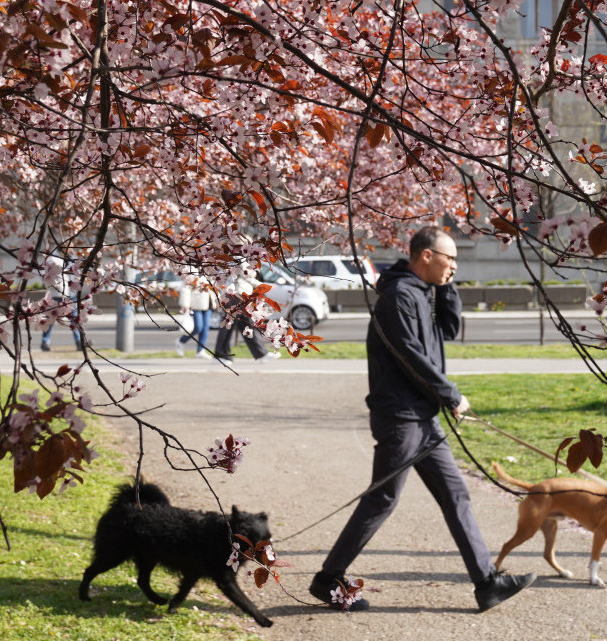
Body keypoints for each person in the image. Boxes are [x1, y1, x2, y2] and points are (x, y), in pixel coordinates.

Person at [309, 227, 534, 613]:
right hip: (401, 417)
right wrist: (450, 394)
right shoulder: (398, 296)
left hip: (422, 417)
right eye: (450, 259)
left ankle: (486, 583)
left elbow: (448, 329)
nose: (454, 267)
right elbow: (410, 356)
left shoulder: (421, 293)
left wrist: (445, 286)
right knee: (382, 498)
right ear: (426, 256)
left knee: (455, 494)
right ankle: (329, 580)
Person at [212, 267, 279, 363]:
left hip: (241, 297)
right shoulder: (238, 257)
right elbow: (247, 274)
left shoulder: (242, 258)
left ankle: (261, 354)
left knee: (247, 325)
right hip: (234, 296)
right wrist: (265, 286)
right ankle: (220, 355)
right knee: (229, 327)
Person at [40, 252, 83, 352]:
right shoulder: (52, 260)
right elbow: (45, 275)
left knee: (74, 319)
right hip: (56, 295)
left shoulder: (71, 258)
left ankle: (79, 342)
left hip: (69, 294)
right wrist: (52, 284)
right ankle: (45, 342)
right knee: (50, 319)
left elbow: (74, 275)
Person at [175, 272, 217, 359]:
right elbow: (185, 288)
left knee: (205, 328)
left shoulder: (209, 269)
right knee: (198, 327)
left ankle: (200, 350)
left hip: (208, 303)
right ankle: (181, 341)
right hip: (196, 303)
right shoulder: (191, 270)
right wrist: (185, 304)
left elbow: (213, 286)